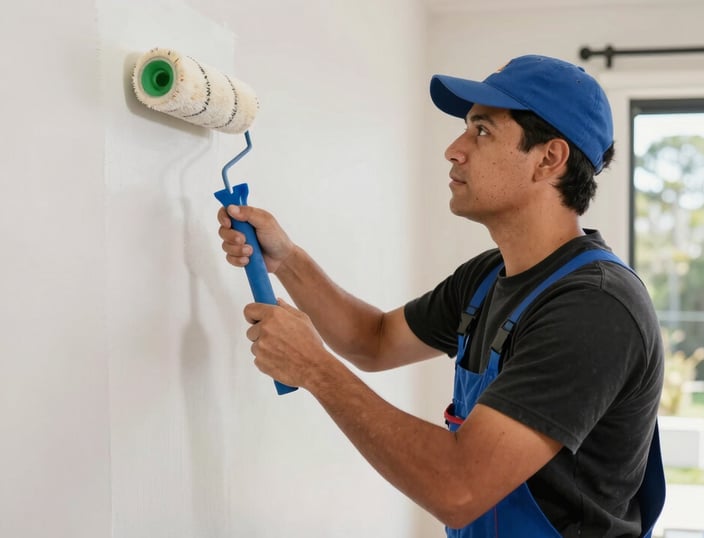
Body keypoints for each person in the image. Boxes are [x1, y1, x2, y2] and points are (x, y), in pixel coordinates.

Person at [217, 54, 665, 537]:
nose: (454, 150)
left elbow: (459, 488)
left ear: (549, 159)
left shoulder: (595, 307)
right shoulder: (488, 278)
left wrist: (315, 369)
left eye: (483, 131)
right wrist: (287, 260)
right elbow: (374, 340)